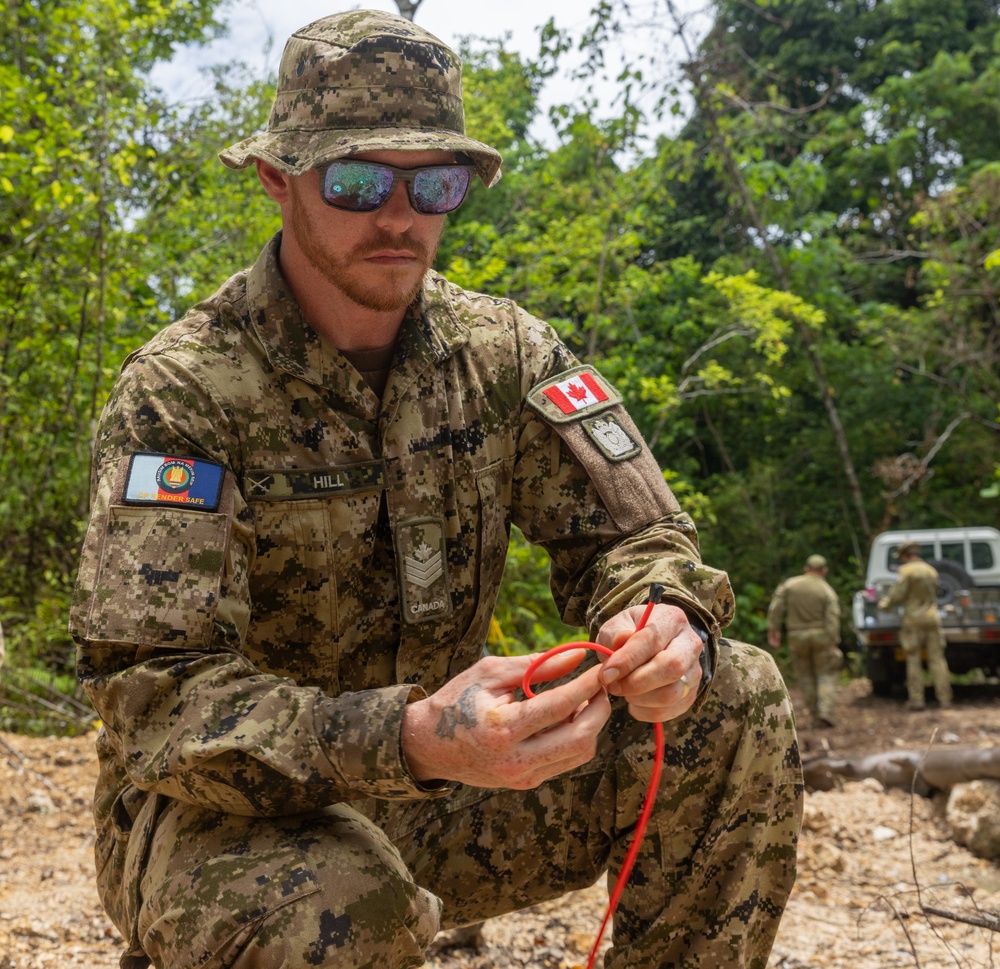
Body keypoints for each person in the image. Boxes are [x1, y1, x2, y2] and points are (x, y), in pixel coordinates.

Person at [69, 11, 802, 969]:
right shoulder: (186, 390)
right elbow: (151, 690)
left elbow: (636, 537)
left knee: (734, 692)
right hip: (223, 820)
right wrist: (406, 738)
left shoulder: (504, 354)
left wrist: (658, 615)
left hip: (454, 794)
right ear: (277, 179)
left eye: (436, 184)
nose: (400, 216)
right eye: (361, 179)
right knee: (336, 910)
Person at [767, 554, 842, 728]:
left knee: (805, 676)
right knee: (825, 674)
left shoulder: (790, 584)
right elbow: (833, 616)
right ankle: (825, 712)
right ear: (824, 571)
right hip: (821, 636)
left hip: (796, 636)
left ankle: (815, 715)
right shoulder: (826, 589)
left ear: (806, 569)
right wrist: (833, 639)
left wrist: (773, 629)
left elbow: (776, 606)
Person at [878, 542, 953, 711]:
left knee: (913, 659)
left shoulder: (906, 571)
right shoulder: (930, 570)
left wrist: (884, 605)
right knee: (937, 659)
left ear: (904, 555)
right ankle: (945, 698)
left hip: (913, 620)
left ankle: (917, 700)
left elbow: (898, 594)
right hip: (932, 618)